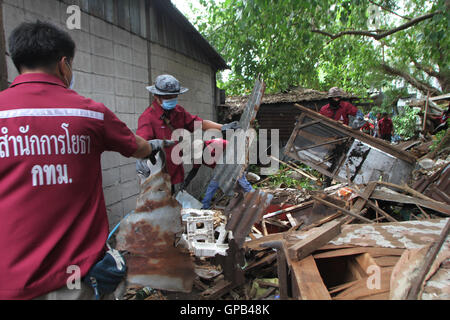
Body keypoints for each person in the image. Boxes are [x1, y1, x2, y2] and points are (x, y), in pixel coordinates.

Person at [0, 21, 172, 300]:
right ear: (64, 64)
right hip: (73, 280)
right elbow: (138, 147)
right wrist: (154, 145)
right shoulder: (90, 113)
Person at [137, 74, 239, 194]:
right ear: (156, 96)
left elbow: (199, 123)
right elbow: (141, 147)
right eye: (168, 97)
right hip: (157, 178)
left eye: (174, 96)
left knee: (174, 205)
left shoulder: (178, 112)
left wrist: (223, 127)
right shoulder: (147, 118)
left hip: (174, 173)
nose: (172, 99)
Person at [180, 139, 253, 209]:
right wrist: (185, 183)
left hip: (233, 162)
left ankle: (256, 196)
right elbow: (194, 170)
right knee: (213, 185)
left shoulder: (217, 144)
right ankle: (205, 207)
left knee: (242, 182)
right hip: (220, 169)